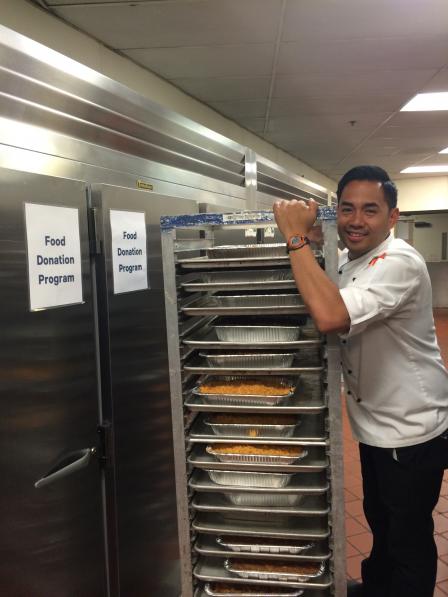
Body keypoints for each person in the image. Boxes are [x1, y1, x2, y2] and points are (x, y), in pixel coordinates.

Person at [273, 165, 448, 597]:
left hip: (410, 433)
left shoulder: (399, 262)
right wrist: (313, 243)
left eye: (370, 210)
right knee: (384, 525)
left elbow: (331, 315)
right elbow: (329, 292)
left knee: (406, 539)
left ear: (393, 217)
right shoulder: (356, 261)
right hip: (378, 427)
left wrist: (295, 236)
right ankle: (378, 589)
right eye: (347, 209)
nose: (356, 220)